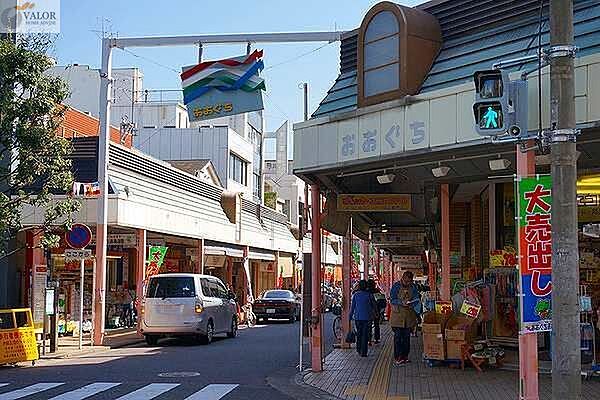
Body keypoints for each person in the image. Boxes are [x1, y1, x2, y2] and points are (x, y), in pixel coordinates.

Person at [389, 271, 421, 365]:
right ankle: (398, 357)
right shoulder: (396, 286)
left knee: (407, 338)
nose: (407, 283)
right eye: (406, 281)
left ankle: (405, 356)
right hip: (397, 316)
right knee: (398, 337)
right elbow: (392, 299)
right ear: (402, 278)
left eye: (409, 282)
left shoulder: (413, 287)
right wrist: (401, 302)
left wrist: (412, 304)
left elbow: (416, 298)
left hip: (409, 316)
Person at [350, 280, 377, 357]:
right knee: (365, 335)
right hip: (367, 318)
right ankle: (364, 352)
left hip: (358, 318)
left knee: (359, 334)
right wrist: (376, 313)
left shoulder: (355, 295)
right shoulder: (369, 295)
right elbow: (374, 305)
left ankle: (358, 349)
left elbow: (352, 307)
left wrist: (350, 317)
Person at [367, 279, 386, 344]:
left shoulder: (366, 292)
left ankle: (369, 339)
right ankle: (377, 339)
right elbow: (383, 301)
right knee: (376, 325)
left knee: (368, 326)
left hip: (368, 311)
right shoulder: (377, 291)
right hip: (376, 311)